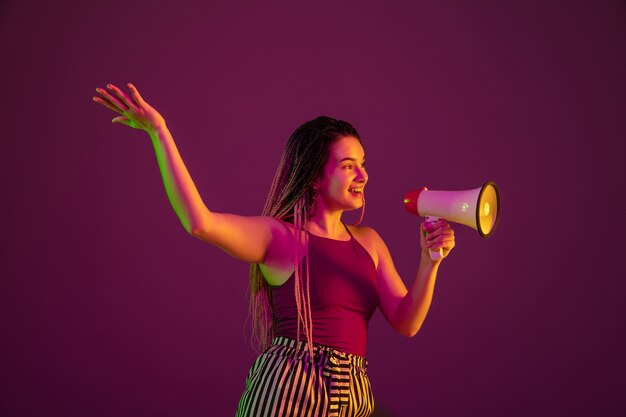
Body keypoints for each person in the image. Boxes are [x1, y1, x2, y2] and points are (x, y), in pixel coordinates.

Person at [93, 83, 455, 417]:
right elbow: (199, 221)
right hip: (289, 391)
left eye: (362, 165)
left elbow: (407, 322)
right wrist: (159, 132)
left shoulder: (370, 242)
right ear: (315, 176)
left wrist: (429, 261)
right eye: (348, 166)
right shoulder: (282, 238)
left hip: (355, 395)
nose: (362, 176)